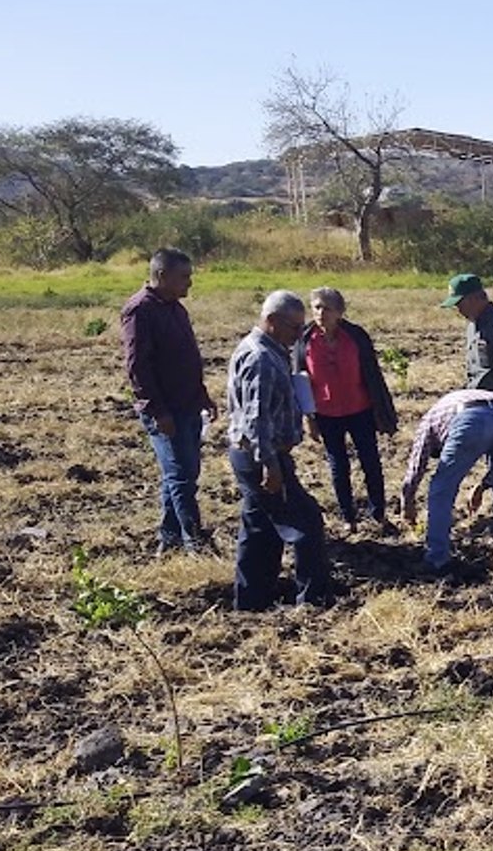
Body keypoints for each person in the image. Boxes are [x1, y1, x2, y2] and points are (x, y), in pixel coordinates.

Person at [226, 291, 334, 610]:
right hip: (262, 456)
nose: (298, 336)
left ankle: (250, 602)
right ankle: (313, 601)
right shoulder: (260, 357)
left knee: (260, 531)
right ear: (271, 321)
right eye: (293, 328)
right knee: (306, 524)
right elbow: (254, 418)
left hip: (259, 454)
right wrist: (270, 465)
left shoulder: (271, 351)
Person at [121, 247, 217, 555]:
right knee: (180, 476)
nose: (189, 284)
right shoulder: (140, 310)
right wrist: (157, 410)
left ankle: (170, 537)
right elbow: (138, 366)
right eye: (184, 277)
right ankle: (194, 541)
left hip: (188, 403)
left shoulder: (176, 308)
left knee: (183, 474)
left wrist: (202, 395)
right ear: (161, 276)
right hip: (166, 410)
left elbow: (188, 356)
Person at [294, 287, 398, 531]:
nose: (320, 313)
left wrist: (380, 411)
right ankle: (348, 518)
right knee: (338, 466)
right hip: (326, 413)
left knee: (370, 462)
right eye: (316, 307)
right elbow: (300, 380)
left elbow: (373, 376)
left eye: (327, 308)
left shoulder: (356, 337)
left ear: (340, 312)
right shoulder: (304, 339)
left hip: (360, 409)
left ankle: (379, 513)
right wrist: (309, 417)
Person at [399, 388, 493, 576]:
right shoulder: (444, 411)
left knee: (441, 490)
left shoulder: (428, 423)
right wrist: (482, 487)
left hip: (469, 418)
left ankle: (437, 558)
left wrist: (407, 502)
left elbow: (416, 467)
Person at [442, 272, 493, 427]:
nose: (459, 310)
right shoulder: (472, 326)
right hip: (478, 406)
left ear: (475, 298)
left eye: (460, 304)